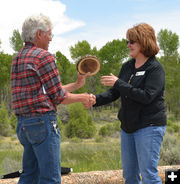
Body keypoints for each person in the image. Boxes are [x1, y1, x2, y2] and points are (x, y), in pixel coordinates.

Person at [11, 14, 95, 184]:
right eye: (49, 34)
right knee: (51, 179)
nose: (50, 38)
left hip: (24, 126)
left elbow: (43, 92)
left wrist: (76, 85)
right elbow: (58, 97)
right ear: (39, 34)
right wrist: (84, 97)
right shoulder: (44, 56)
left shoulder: (18, 58)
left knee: (29, 175)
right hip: (43, 124)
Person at [93, 23, 166, 184]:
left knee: (149, 176)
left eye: (132, 41)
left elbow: (147, 96)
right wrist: (94, 100)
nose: (128, 45)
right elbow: (115, 93)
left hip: (149, 126)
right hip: (128, 128)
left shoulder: (155, 69)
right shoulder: (127, 67)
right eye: (127, 41)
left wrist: (118, 83)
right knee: (130, 176)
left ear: (143, 42)